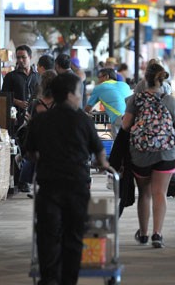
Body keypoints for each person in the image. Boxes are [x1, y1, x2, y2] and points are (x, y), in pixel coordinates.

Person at [25, 72, 107, 285]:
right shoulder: (82, 120)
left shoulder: (40, 120)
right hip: (77, 187)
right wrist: (102, 164)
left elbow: (30, 154)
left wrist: (47, 157)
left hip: (49, 186)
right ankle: (69, 281)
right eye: (80, 93)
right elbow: (99, 153)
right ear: (70, 94)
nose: (81, 98)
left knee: (47, 235)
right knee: (74, 236)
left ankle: (49, 279)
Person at [122, 63, 175, 248]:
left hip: (141, 154)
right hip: (166, 153)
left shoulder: (135, 99)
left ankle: (143, 234)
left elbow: (125, 125)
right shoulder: (171, 101)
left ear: (145, 79)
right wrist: (169, 142)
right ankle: (157, 234)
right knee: (160, 193)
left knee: (144, 193)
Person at [18, 69, 58, 198]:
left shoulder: (36, 103)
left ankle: (36, 188)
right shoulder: (60, 102)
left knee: (36, 163)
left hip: (39, 138)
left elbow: (29, 120)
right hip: (56, 138)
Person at [85, 68, 132, 137]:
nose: (98, 80)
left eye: (99, 77)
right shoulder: (125, 85)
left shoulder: (99, 88)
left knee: (118, 144)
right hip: (131, 116)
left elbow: (88, 108)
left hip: (118, 118)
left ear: (106, 76)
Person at [2, 45, 39, 130]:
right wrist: (17, 102)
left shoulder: (37, 76)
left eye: (23, 57)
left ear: (30, 57)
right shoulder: (10, 76)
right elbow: (3, 96)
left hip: (35, 117)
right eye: (18, 58)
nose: (20, 60)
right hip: (16, 117)